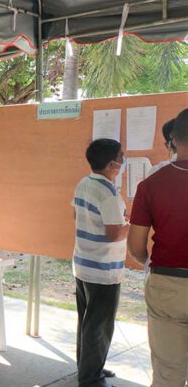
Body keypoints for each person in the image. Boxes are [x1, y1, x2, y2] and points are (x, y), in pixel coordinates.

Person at [128, 108, 188, 387]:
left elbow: (136, 246)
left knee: (167, 376)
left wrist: (148, 262)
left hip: (167, 284)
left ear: (173, 139)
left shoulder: (151, 185)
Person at [72, 139, 128, 387]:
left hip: (83, 265)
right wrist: (130, 225)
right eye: (121, 157)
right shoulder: (108, 193)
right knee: (99, 326)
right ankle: (91, 379)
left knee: (87, 321)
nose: (123, 161)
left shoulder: (84, 183)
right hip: (103, 271)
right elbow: (114, 234)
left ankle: (88, 367)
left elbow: (75, 214)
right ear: (111, 164)